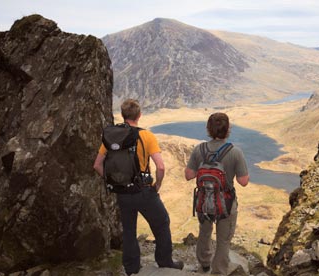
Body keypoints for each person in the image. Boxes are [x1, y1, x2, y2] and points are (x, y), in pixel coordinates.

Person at [93, 99, 183, 275]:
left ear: (123, 115)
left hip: (122, 192)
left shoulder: (112, 136)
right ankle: (165, 261)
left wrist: (112, 180)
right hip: (143, 191)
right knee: (162, 222)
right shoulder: (147, 136)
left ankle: (131, 268)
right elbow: (161, 166)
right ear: (139, 115)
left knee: (128, 230)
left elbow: (97, 165)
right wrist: (157, 185)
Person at [185, 112, 249, 275]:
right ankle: (218, 271)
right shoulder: (235, 152)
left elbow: (189, 175)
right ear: (228, 129)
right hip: (226, 203)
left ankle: (204, 263)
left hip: (204, 201)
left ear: (209, 129)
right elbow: (243, 181)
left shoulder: (200, 149)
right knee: (223, 239)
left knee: (204, 232)